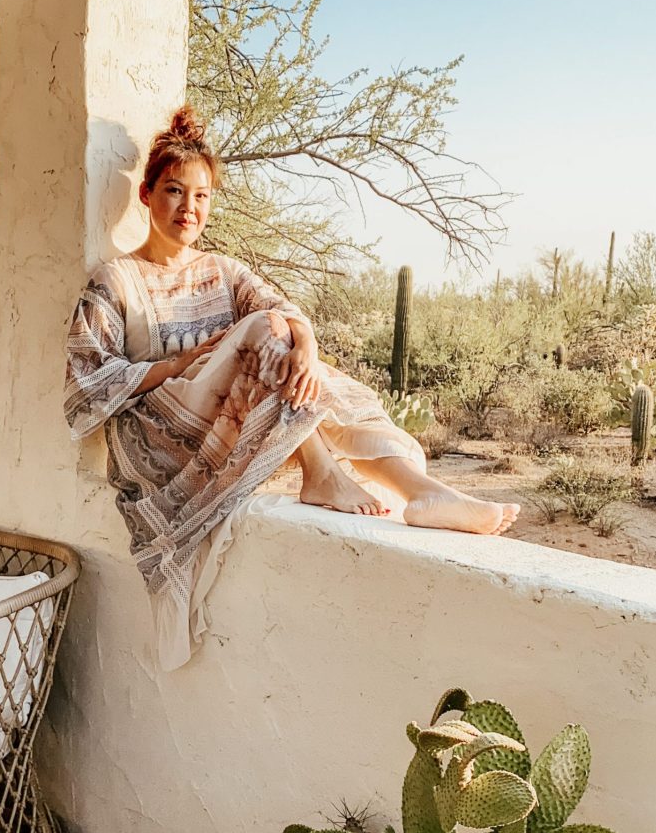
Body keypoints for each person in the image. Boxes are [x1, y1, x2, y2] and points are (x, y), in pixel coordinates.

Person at [64, 107, 519, 668]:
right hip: (156, 437)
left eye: (202, 196)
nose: (189, 208)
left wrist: (306, 349)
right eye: (175, 191)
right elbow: (87, 381)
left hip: (218, 419)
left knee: (281, 337)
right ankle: (323, 474)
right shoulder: (116, 280)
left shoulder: (222, 271)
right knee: (261, 333)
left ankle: (419, 489)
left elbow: (286, 310)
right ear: (147, 196)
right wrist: (185, 362)